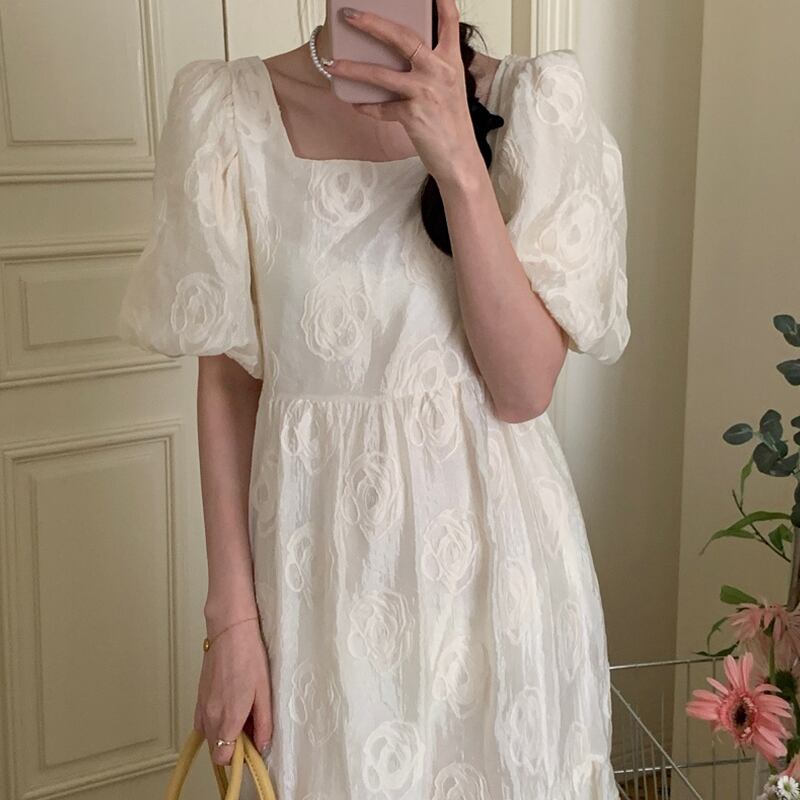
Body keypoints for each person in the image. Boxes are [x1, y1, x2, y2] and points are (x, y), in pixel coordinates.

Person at [117, 0, 631, 796]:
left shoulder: (532, 106)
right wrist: (231, 625)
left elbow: (524, 387)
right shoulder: (229, 114)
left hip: (500, 586)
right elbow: (228, 383)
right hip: (319, 587)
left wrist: (459, 162)